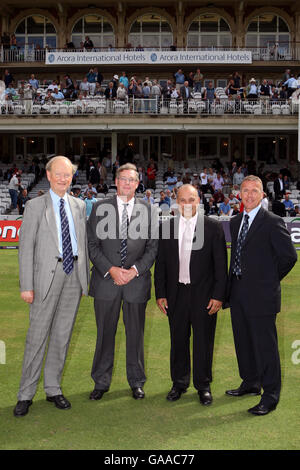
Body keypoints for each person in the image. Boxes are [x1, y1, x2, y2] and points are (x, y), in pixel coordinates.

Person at [13, 156, 90, 417]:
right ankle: (25, 394)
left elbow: (83, 242)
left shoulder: (79, 205)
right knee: (37, 338)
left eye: (67, 174)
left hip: (73, 276)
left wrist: (83, 279)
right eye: (58, 173)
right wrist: (26, 285)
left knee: (61, 337)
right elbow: (25, 249)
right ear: (47, 175)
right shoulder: (34, 206)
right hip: (45, 277)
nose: (62, 178)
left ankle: (53, 389)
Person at [225, 175, 297, 415]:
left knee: (266, 346)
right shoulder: (235, 222)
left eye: (254, 191)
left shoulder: (273, 222)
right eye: (245, 191)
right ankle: (250, 382)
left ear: (263, 194)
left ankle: (271, 395)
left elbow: (289, 257)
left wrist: (267, 280)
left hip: (262, 295)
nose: (249, 195)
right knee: (243, 341)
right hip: (237, 291)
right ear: (240, 194)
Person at [87, 163, 158, 401]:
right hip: (106, 282)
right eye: (123, 179)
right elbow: (93, 246)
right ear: (116, 182)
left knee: (135, 335)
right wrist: (111, 270)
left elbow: (152, 247)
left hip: (136, 283)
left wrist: (134, 270)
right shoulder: (99, 208)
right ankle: (101, 381)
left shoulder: (148, 210)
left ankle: (136, 381)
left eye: (132, 180)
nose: (127, 183)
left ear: (138, 184)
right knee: (105, 334)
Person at [155, 184, 227, 404]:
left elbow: (221, 267)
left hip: (204, 296)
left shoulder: (213, 227)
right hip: (176, 294)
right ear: (177, 202)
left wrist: (218, 295)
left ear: (199, 201)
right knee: (178, 340)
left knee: (204, 342)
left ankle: (203, 385)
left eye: (191, 199)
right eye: (183, 200)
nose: (187, 204)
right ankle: (179, 383)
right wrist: (160, 293)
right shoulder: (166, 228)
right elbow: (161, 265)